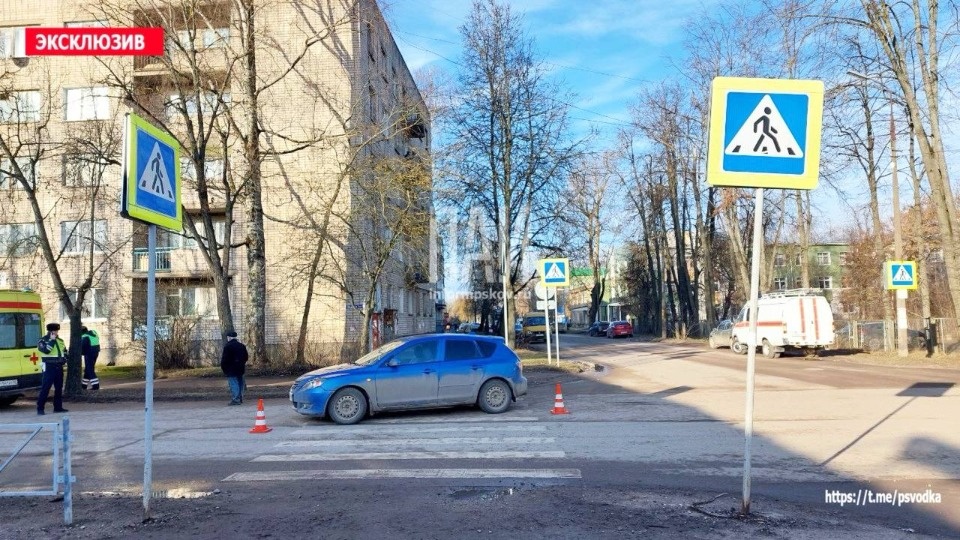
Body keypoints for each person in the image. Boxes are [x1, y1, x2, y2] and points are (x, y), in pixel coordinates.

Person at [37, 322, 68, 415]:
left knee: (58, 388)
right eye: (54, 331)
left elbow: (65, 351)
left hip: (59, 367)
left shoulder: (60, 340)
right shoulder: (42, 340)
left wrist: (65, 358)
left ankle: (58, 407)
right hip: (49, 366)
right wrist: (52, 340)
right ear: (50, 331)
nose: (56, 332)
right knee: (46, 388)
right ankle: (40, 408)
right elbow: (46, 351)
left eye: (57, 330)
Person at [220, 331, 248, 406]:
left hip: (231, 369)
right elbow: (246, 357)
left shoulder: (227, 346)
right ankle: (240, 398)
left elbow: (224, 359)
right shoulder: (242, 346)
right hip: (240, 368)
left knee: (233, 384)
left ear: (228, 338)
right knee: (240, 383)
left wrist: (224, 368)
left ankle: (236, 399)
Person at [80, 326, 101, 390]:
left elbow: (82, 347)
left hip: (89, 353)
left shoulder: (85, 336)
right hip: (96, 352)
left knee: (89, 369)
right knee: (87, 369)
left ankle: (95, 386)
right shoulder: (93, 333)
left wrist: (80, 353)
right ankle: (83, 386)